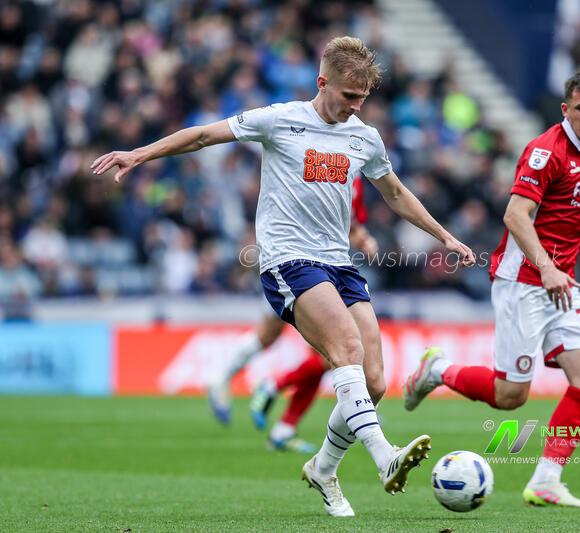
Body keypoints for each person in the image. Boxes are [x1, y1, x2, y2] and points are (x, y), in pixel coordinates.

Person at [91, 36, 475, 517]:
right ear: (322, 82)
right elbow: (205, 135)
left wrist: (445, 237)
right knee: (347, 351)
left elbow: (395, 193)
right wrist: (140, 154)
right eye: (348, 96)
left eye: (363, 99)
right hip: (288, 260)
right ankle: (385, 457)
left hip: (339, 263)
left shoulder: (363, 136)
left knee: (374, 381)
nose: (355, 107)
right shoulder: (280, 119)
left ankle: (323, 467)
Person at [403, 70, 580, 508]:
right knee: (510, 397)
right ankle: (438, 370)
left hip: (560, 283)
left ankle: (546, 480)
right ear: (566, 109)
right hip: (523, 282)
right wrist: (545, 267)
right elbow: (515, 216)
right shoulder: (546, 152)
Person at [207, 177, 379, 457]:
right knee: (325, 352)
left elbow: (350, 226)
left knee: (321, 353)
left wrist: (364, 239)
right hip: (295, 269)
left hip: (324, 271)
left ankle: (282, 424)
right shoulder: (315, 159)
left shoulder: (352, 174)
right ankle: (271, 389)